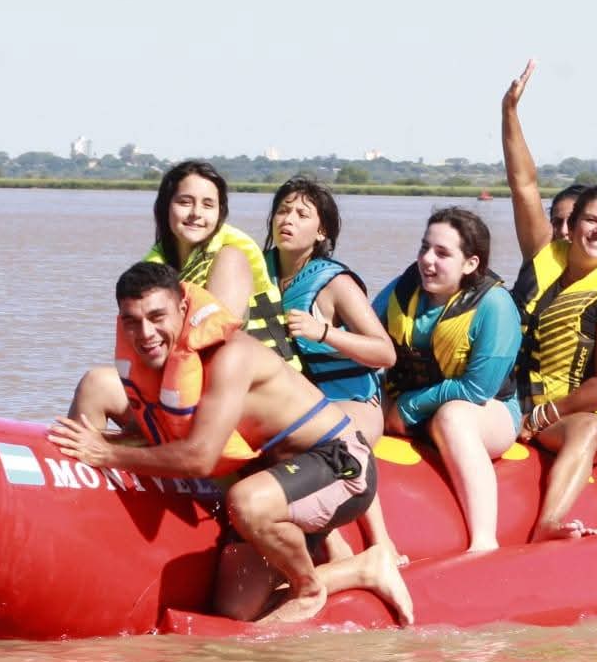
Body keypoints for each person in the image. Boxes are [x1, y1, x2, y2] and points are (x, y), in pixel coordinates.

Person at [49, 262, 412, 625]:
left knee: (246, 502)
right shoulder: (165, 362)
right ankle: (364, 568)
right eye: (132, 321)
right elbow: (167, 433)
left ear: (182, 308)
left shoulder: (230, 356)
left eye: (157, 317)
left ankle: (308, 588)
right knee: (235, 611)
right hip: (279, 481)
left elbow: (200, 459)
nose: (145, 333)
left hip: (341, 465)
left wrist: (108, 453)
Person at [501, 61, 597, 540]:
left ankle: (549, 523)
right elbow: (524, 185)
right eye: (591, 220)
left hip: (567, 418)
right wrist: (509, 112)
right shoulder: (545, 253)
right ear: (572, 224)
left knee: (589, 429)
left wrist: (544, 415)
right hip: (508, 402)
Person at [375, 207, 523, 552]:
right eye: (424, 248)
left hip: (487, 411)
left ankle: (484, 541)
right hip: (406, 403)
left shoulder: (495, 305)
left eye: (442, 253)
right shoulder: (401, 291)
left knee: (452, 417)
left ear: (470, 263)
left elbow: (477, 389)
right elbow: (363, 340)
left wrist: (407, 408)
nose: (427, 260)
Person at [264, 177, 398, 551]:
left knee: (327, 439)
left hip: (352, 402)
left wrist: (323, 332)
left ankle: (379, 543)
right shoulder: (258, 273)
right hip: (294, 405)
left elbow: (385, 353)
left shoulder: (334, 284)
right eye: (283, 210)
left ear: (321, 232)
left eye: (302, 214)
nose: (288, 219)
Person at [143, 160, 288, 354]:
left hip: (253, 368)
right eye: (185, 202)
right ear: (165, 207)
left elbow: (216, 340)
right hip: (192, 365)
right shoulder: (156, 266)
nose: (196, 213)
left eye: (208, 205)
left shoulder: (231, 258)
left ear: (220, 212)